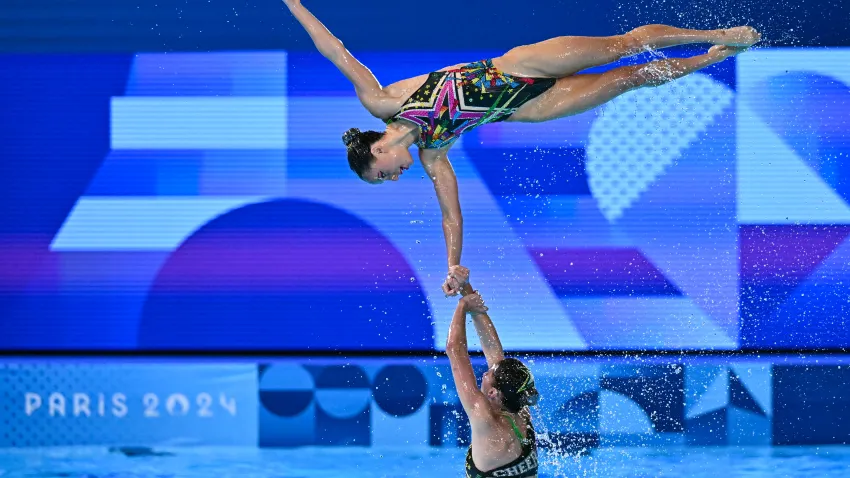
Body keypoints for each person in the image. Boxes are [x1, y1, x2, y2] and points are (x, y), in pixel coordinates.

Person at [282, 0, 760, 296]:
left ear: (376, 151)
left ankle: (716, 33)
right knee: (629, 80)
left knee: (624, 46)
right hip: (530, 106)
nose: (393, 179)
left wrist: (294, 4)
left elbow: (337, 51)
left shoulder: (381, 100)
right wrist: (453, 267)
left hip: (516, 67)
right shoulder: (433, 155)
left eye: (383, 175)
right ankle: (710, 58)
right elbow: (452, 216)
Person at [447, 290, 540, 477]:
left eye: (488, 374)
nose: (485, 373)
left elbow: (454, 350)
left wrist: (462, 305)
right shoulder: (522, 413)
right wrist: (466, 289)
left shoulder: (485, 420)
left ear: (493, 393)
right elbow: (492, 350)